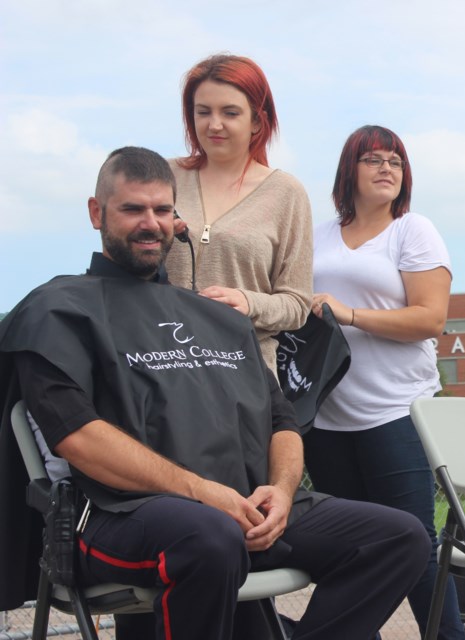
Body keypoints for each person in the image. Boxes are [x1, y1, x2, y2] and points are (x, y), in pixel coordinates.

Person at [0, 147, 430, 640]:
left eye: (163, 210)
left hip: (240, 509)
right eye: (132, 209)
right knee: (207, 535)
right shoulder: (58, 309)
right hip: (113, 513)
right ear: (97, 212)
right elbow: (75, 436)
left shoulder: (217, 315)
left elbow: (282, 422)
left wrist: (282, 493)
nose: (151, 223)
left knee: (397, 537)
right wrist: (202, 493)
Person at [306, 125, 465, 639]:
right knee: (348, 552)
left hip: (397, 411)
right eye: (373, 159)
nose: (387, 168)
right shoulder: (318, 235)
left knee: (415, 544)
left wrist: (349, 314)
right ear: (348, 170)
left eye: (395, 161)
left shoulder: (412, 230)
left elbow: (430, 319)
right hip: (327, 418)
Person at [164, 54, 313, 374]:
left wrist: (249, 303)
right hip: (163, 366)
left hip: (246, 372)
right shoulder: (164, 177)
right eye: (203, 112)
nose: (213, 124)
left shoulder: (287, 193)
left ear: (258, 120)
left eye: (230, 113)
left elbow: (297, 305)